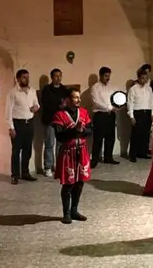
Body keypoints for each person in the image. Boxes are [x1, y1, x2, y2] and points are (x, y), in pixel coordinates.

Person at [52, 89, 93, 224]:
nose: (78, 100)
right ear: (68, 100)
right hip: (68, 152)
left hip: (82, 151)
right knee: (68, 184)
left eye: (79, 98)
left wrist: (82, 130)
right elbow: (59, 136)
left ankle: (75, 210)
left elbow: (90, 130)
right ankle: (66, 213)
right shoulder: (60, 115)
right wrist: (74, 131)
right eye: (75, 98)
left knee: (80, 182)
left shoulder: (84, 113)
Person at [5, 69, 39, 184]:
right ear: (18, 79)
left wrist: (36, 108)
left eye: (28, 77)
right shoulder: (12, 93)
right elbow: (8, 111)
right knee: (16, 151)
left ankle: (25, 172)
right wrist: (11, 127)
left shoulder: (32, 91)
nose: (27, 79)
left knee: (27, 149)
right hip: (18, 124)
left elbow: (36, 104)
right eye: (24, 77)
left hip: (29, 123)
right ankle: (15, 175)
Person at [40, 68, 69, 178]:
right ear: (52, 77)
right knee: (49, 144)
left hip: (61, 121)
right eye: (56, 76)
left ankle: (59, 165)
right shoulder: (46, 89)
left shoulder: (64, 89)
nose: (58, 78)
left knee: (61, 145)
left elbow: (67, 102)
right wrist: (59, 106)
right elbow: (47, 104)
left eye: (60, 76)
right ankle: (48, 167)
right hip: (50, 120)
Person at [90, 66, 121, 167]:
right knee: (98, 138)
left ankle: (108, 157)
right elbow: (96, 102)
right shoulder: (95, 87)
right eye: (106, 76)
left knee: (110, 137)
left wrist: (118, 105)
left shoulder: (112, 87)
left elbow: (117, 98)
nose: (108, 78)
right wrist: (109, 108)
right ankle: (94, 160)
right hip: (100, 116)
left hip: (111, 115)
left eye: (109, 76)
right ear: (100, 75)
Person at [127, 68, 153, 162]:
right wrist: (131, 116)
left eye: (146, 78)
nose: (144, 80)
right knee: (136, 134)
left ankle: (142, 152)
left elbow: (151, 101)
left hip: (147, 112)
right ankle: (133, 155)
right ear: (138, 78)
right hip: (137, 112)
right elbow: (130, 103)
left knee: (145, 134)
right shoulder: (133, 89)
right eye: (142, 78)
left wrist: (152, 113)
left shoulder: (149, 88)